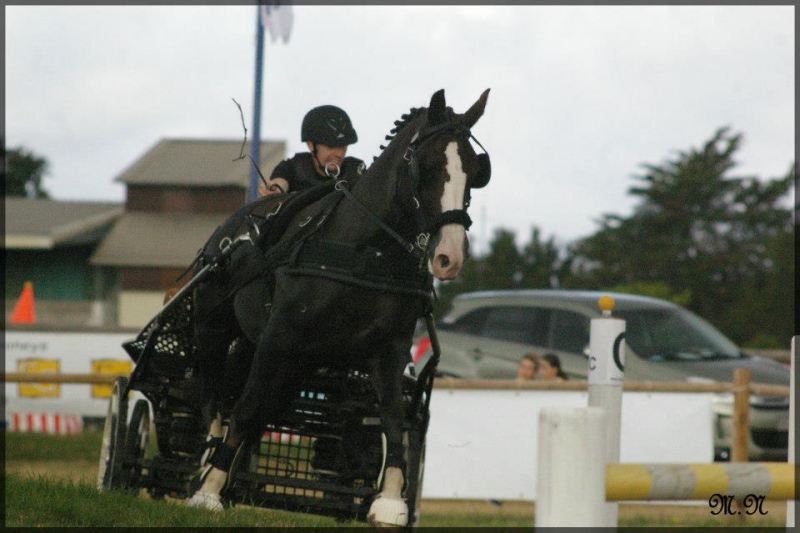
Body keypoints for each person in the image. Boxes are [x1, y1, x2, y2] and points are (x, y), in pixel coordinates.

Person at [259, 104, 365, 197]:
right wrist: (274, 190)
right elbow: (280, 183)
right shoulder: (293, 167)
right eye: (330, 146)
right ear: (310, 145)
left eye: (342, 146)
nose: (339, 153)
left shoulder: (356, 170)